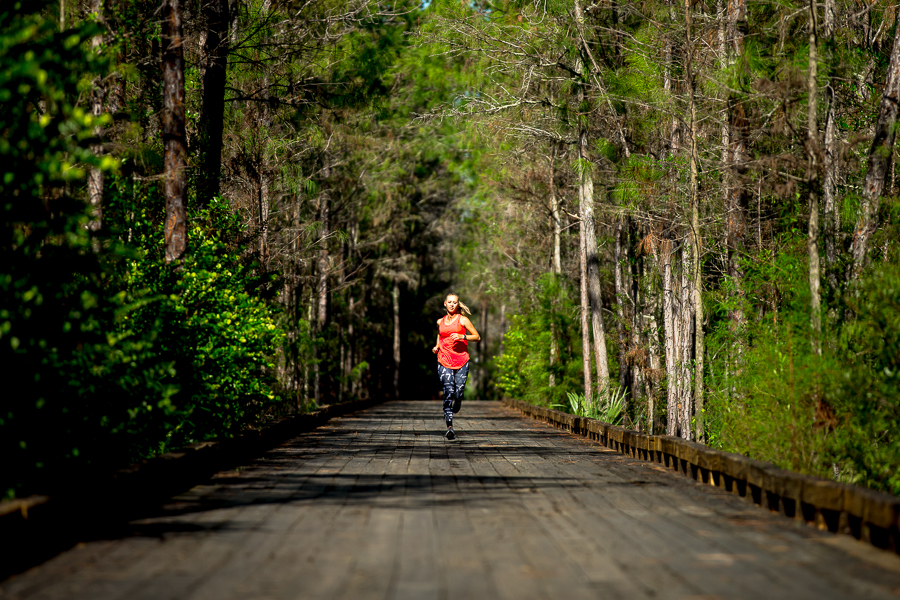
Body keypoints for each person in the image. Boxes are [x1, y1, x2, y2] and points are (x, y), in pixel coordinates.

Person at [432, 293, 480, 440]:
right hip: (444, 360)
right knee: (448, 391)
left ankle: (459, 399)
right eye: (450, 302)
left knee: (458, 392)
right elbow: (441, 334)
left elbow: (477, 337)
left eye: (455, 302)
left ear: (458, 305)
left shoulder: (463, 320)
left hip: (462, 361)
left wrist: (462, 336)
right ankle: (450, 427)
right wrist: (437, 346)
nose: (452, 304)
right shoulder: (440, 321)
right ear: (445, 303)